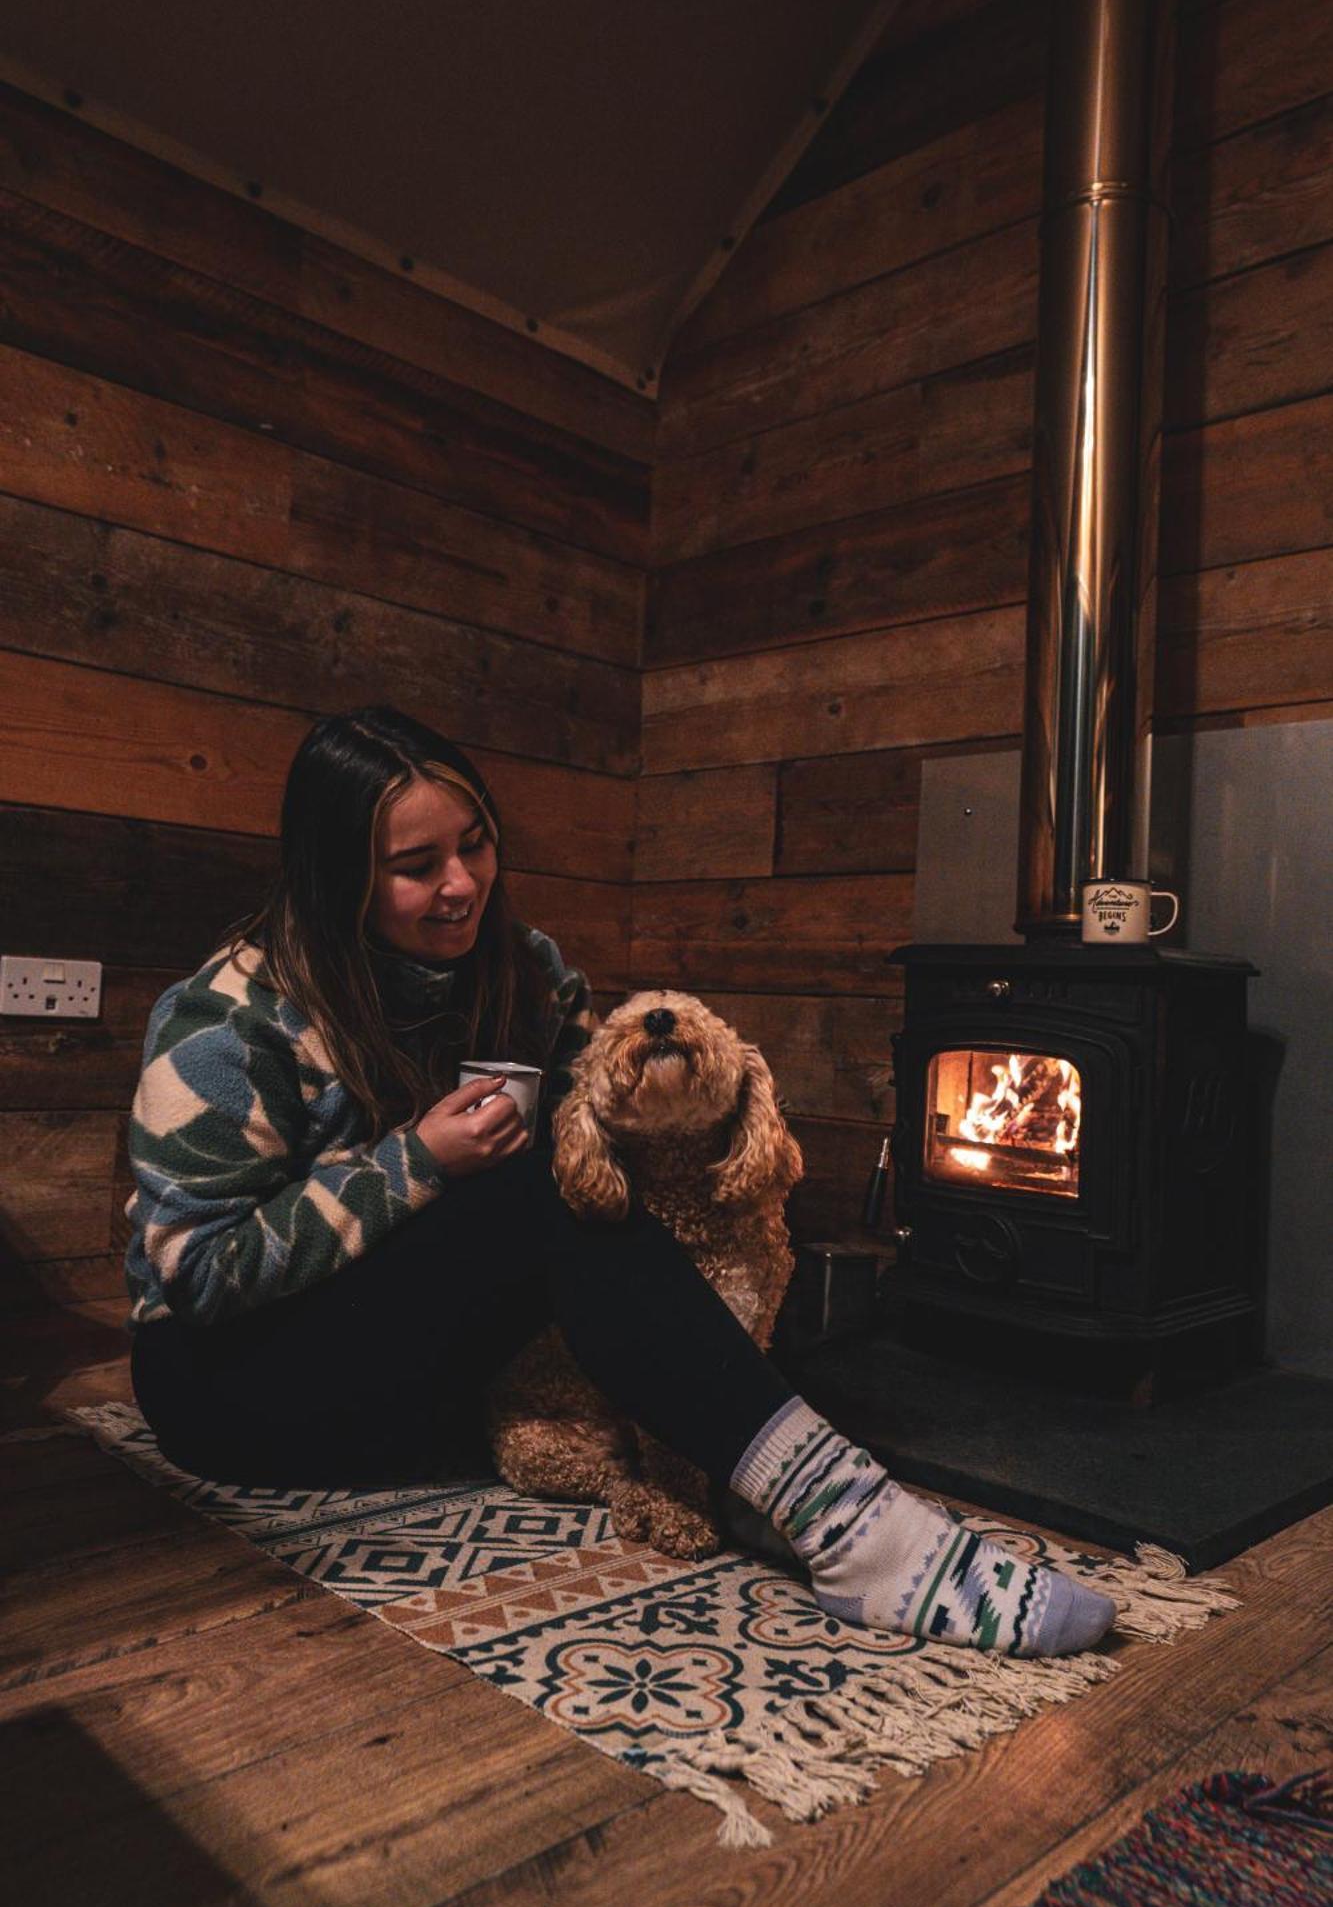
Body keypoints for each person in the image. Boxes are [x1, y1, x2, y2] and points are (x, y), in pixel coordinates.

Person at [124, 704, 1115, 1659]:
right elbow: (199, 1275)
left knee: (574, 1178)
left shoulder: (522, 971)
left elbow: (590, 1185)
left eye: (476, 844)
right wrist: (417, 1161)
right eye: (417, 867)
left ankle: (777, 1483)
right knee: (540, 1191)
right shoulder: (229, 1015)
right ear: (339, 875)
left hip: (418, 1376)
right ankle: (851, 1521)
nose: (462, 884)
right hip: (232, 1389)